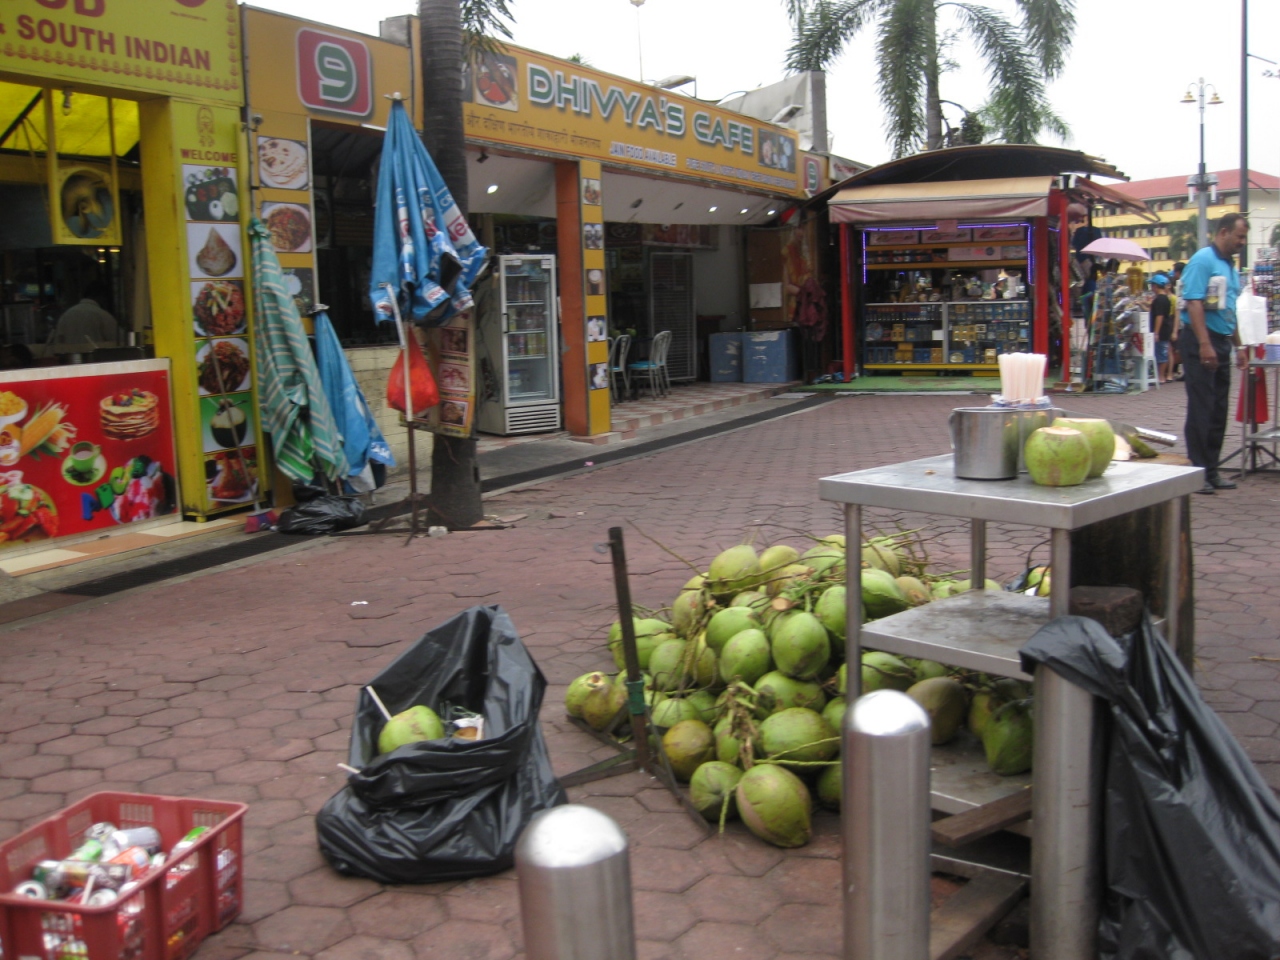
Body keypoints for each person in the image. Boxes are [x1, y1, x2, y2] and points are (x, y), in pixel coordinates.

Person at [1178, 214, 1249, 495]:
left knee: (1219, 409)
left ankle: (1212, 469)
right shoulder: (1203, 260)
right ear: (1223, 232)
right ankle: (1197, 472)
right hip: (1200, 341)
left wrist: (1239, 346)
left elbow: (1228, 310)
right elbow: (1194, 303)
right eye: (1239, 237)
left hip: (1221, 341)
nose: (1242, 242)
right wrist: (1205, 344)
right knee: (1202, 407)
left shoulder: (1230, 266)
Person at [52, 281, 120, 354]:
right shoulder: (103, 315)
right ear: (101, 297)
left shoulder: (66, 316)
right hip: (97, 358)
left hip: (71, 359)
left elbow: (57, 345)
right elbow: (118, 341)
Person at [1149, 273, 1173, 382]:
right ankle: (1160, 376)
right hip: (1165, 329)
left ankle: (1161, 376)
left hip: (1161, 330)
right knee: (1161, 352)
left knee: (1161, 353)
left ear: (1155, 286)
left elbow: (1159, 316)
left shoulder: (1160, 299)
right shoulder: (1165, 298)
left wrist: (1156, 332)